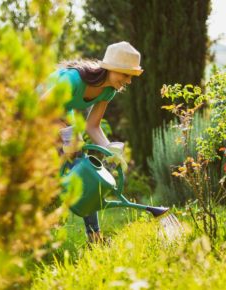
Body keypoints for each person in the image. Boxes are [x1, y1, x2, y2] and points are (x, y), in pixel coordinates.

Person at [42, 41, 143, 243]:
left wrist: (109, 149)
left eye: (131, 76)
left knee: (87, 170)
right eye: (125, 74)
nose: (129, 81)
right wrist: (67, 132)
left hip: (61, 116)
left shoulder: (108, 91)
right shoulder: (73, 79)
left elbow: (92, 126)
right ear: (110, 69)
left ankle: (95, 237)